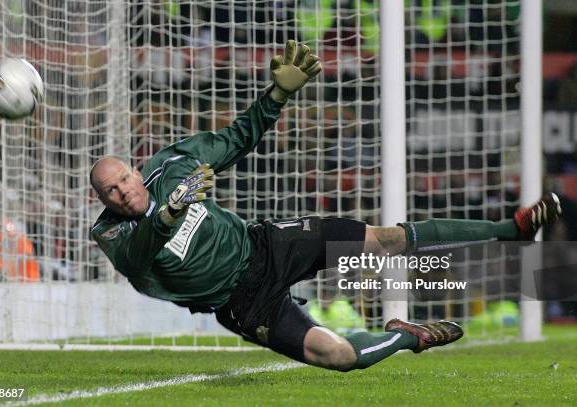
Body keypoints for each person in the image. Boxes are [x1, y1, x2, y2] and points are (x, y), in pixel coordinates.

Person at [90, 40, 561, 371]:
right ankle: (405, 335)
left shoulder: (172, 162)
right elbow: (137, 259)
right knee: (337, 357)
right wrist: (170, 214)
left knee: (383, 239)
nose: (122, 191)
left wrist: (278, 94)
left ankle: (510, 229)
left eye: (124, 178)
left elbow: (237, 138)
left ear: (135, 169)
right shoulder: (110, 232)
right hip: (241, 302)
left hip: (268, 245)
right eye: (110, 191)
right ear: (103, 200)